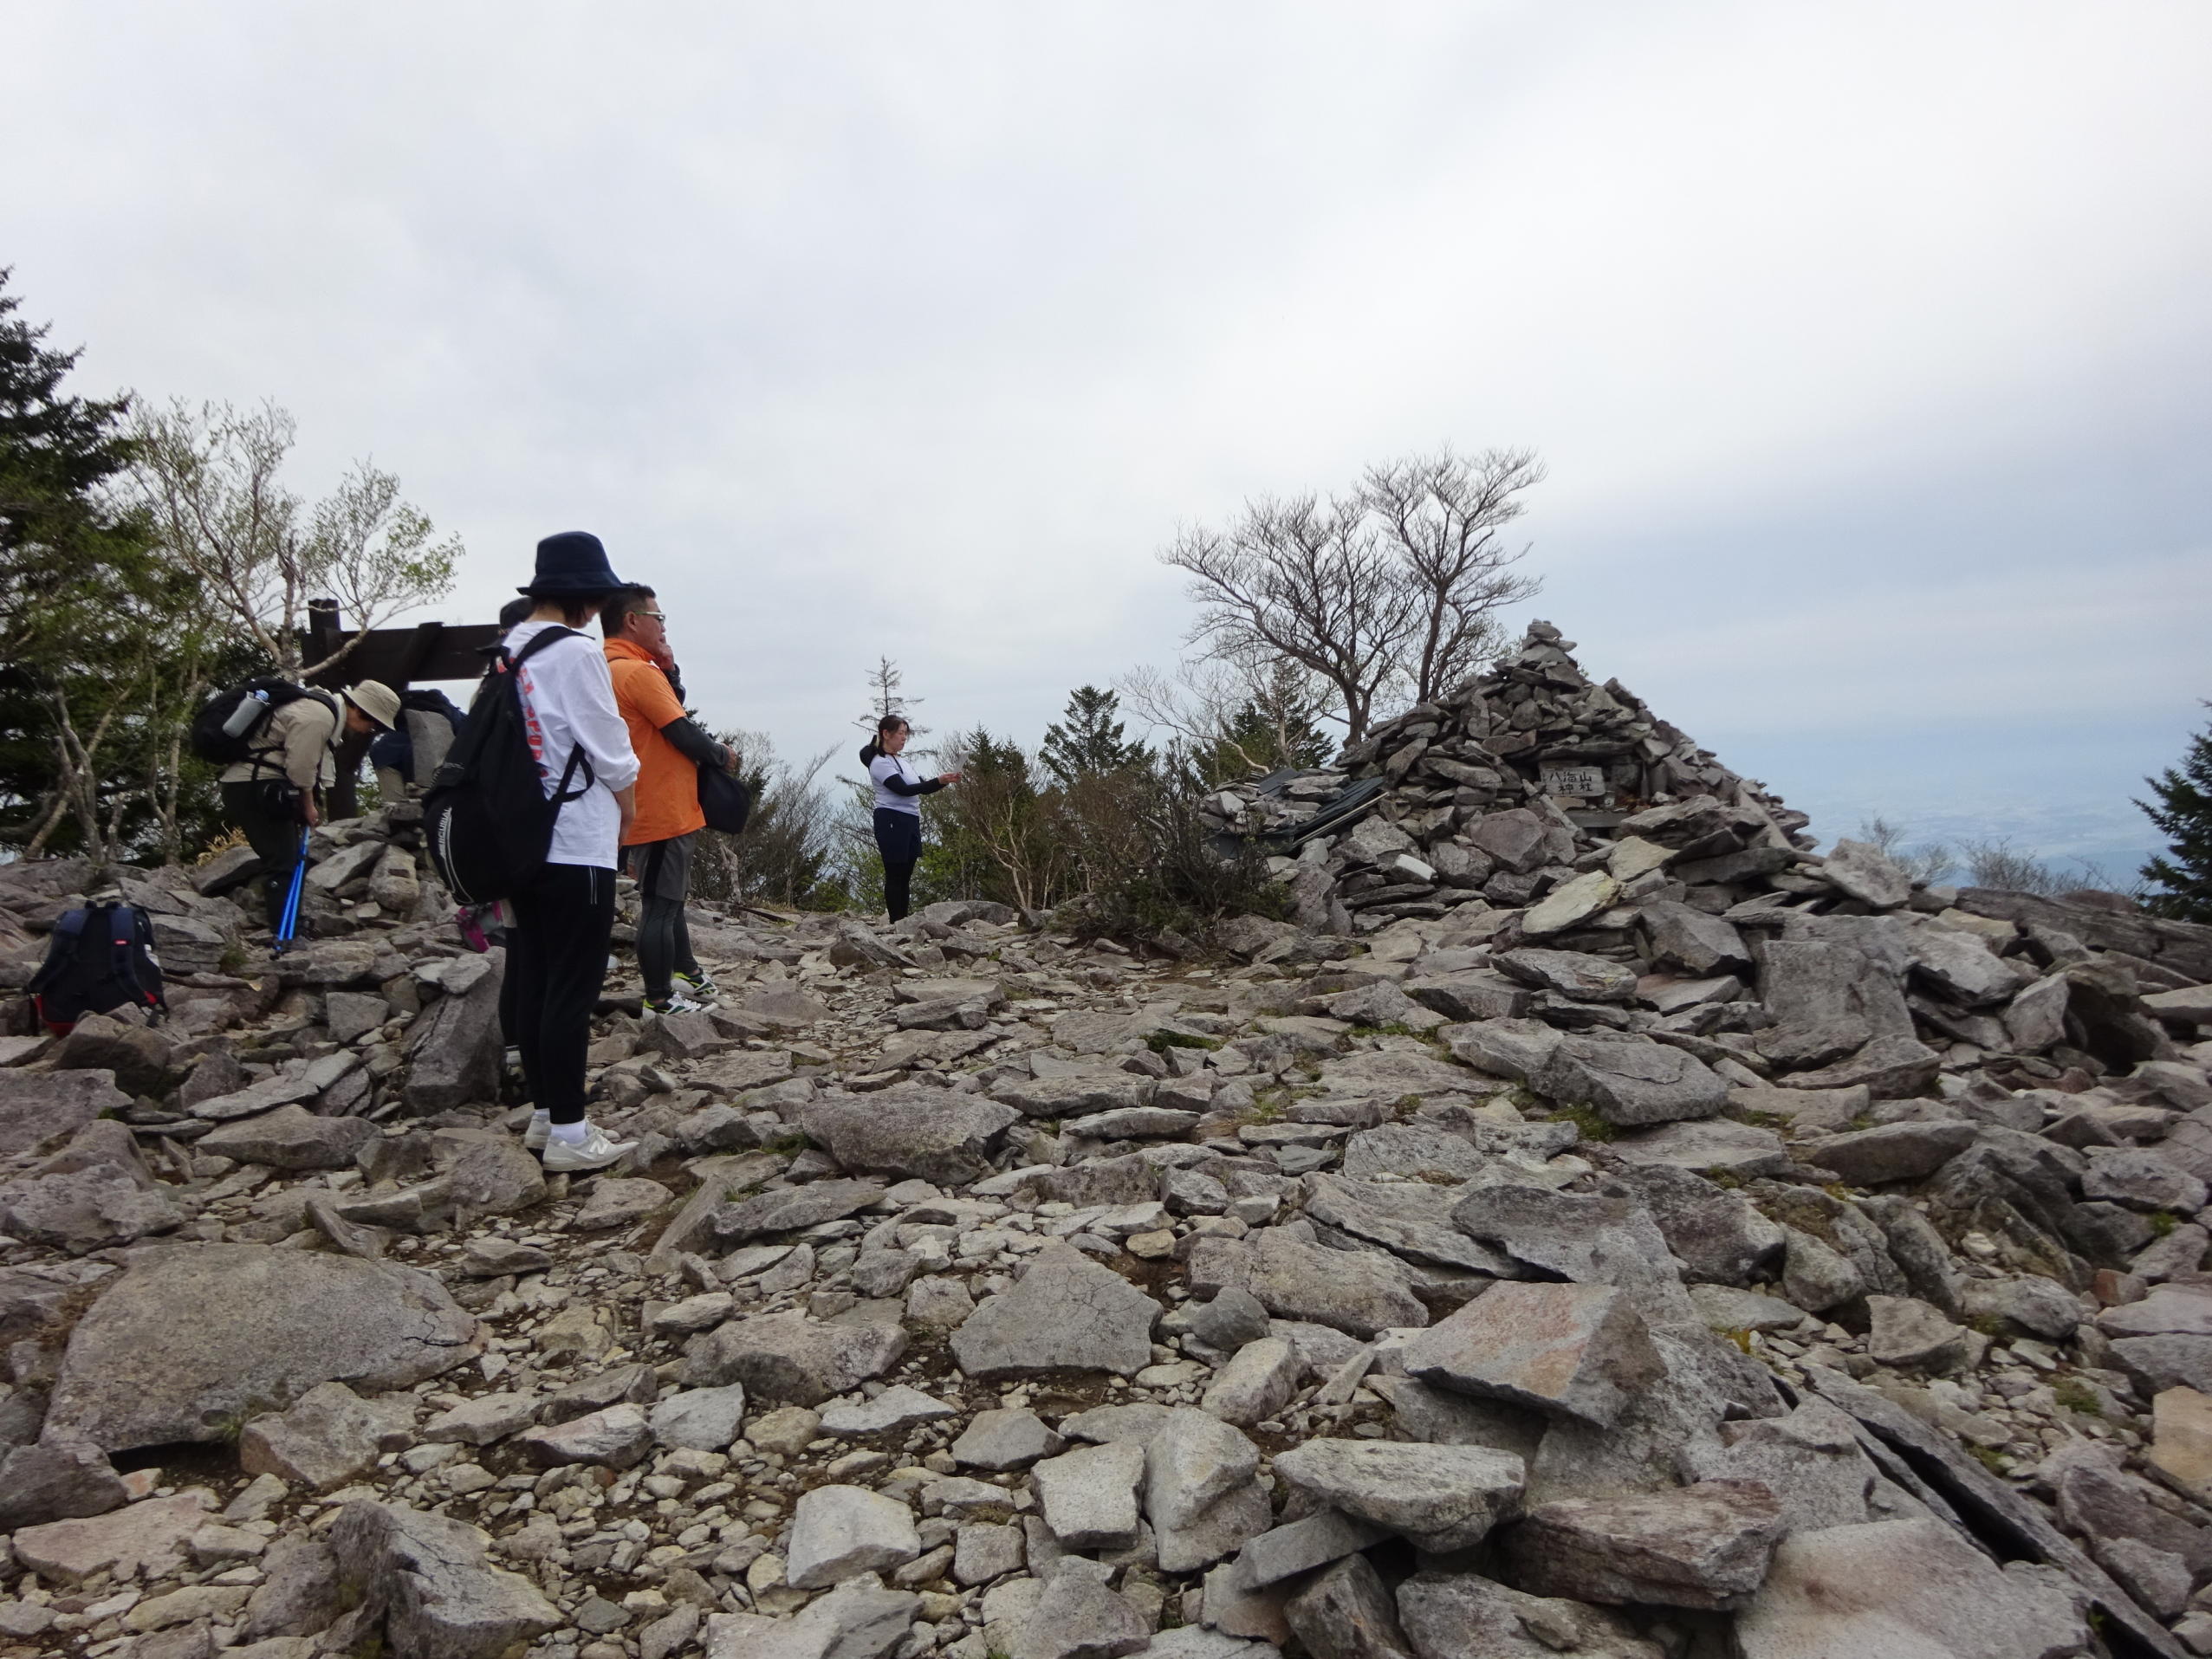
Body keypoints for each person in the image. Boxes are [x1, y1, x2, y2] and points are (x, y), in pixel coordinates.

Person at [504, 531, 643, 1174]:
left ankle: (542, 1114)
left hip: (521, 838)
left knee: (532, 976)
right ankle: (570, 1130)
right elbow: (609, 745)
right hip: (577, 838)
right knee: (573, 988)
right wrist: (629, 810)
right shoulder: (575, 653)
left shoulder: (508, 649)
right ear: (585, 596)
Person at [601, 585, 739, 1014]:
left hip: (638, 802)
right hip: (659, 805)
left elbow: (663, 708)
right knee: (659, 905)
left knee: (667, 896)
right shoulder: (636, 672)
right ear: (632, 620)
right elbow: (680, 730)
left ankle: (686, 971)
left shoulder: (607, 666)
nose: (662, 625)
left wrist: (670, 671)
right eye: (658, 617)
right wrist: (722, 755)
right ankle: (659, 999)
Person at [220, 678, 402, 935]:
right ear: (360, 710)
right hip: (255, 785)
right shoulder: (319, 717)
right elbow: (301, 768)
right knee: (283, 860)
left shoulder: (320, 710)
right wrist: (308, 805)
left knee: (287, 857)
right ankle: (285, 932)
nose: (370, 730)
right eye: (374, 724)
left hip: (256, 784)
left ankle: (288, 924)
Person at [860, 716, 959, 923]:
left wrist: (943, 781)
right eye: (900, 733)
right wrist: (937, 780)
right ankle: (896, 922)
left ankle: (903, 920)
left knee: (906, 874)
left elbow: (921, 787)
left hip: (910, 819)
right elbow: (902, 789)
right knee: (895, 873)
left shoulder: (903, 761)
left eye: (906, 734)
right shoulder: (880, 763)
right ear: (886, 734)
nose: (904, 738)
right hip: (890, 819)